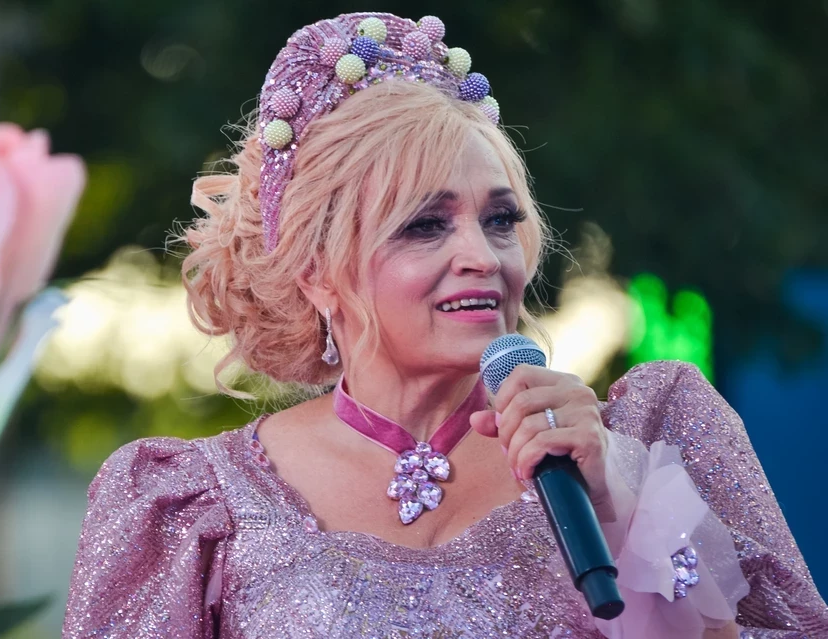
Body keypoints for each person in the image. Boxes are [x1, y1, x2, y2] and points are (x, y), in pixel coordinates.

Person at [62, 12, 828, 638]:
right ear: (317, 270)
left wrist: (620, 506)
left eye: (500, 220)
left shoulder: (647, 439)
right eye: (425, 225)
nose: (482, 257)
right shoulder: (192, 504)